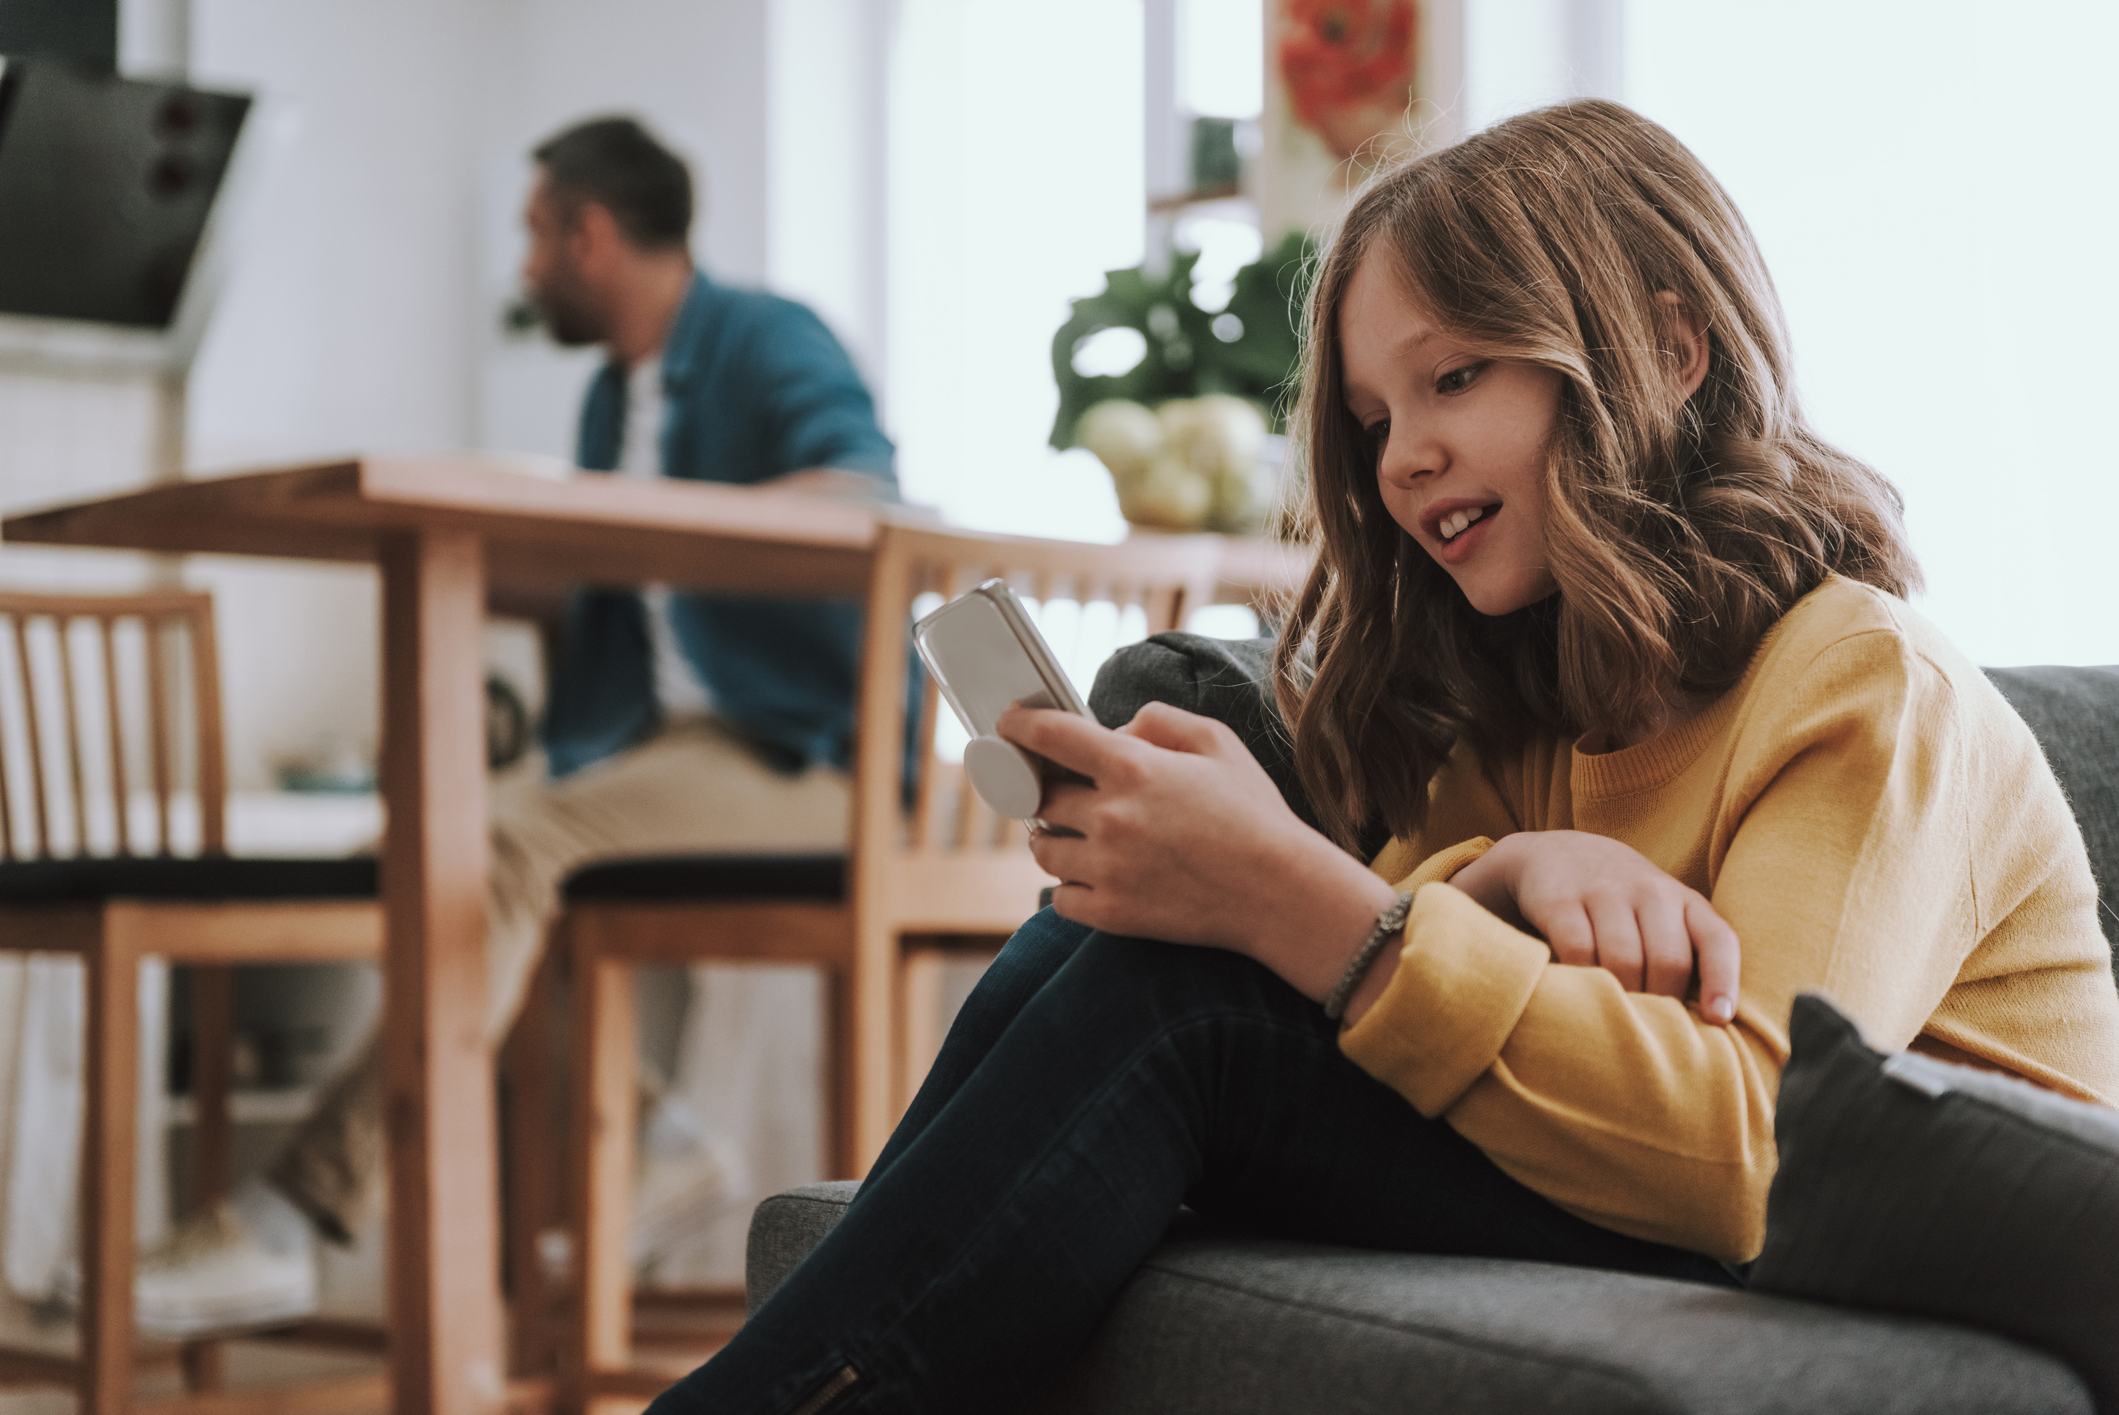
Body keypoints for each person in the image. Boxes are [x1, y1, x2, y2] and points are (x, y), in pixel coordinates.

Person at [649, 100, 2119, 1415]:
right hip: (1671, 1193)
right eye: (1368, 419)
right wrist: (1513, 865)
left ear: (1667, 351)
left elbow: (1758, 1147)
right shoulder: (1535, 684)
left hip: (1884, 1254)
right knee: (1097, 950)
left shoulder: (1862, 675)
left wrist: (1300, 899)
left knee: (1192, 1000)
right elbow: (1447, 940)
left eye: (1453, 376)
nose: (1398, 454)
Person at [80, 115, 896, 1336]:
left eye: (533, 234)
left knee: (498, 848)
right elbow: (604, 593)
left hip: (811, 757)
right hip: (666, 752)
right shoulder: (604, 400)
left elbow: (862, 497)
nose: (522, 266)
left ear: (591, 232)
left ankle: (296, 1212)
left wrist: (632, 527)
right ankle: (654, 1135)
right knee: (442, 849)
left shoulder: (763, 339)